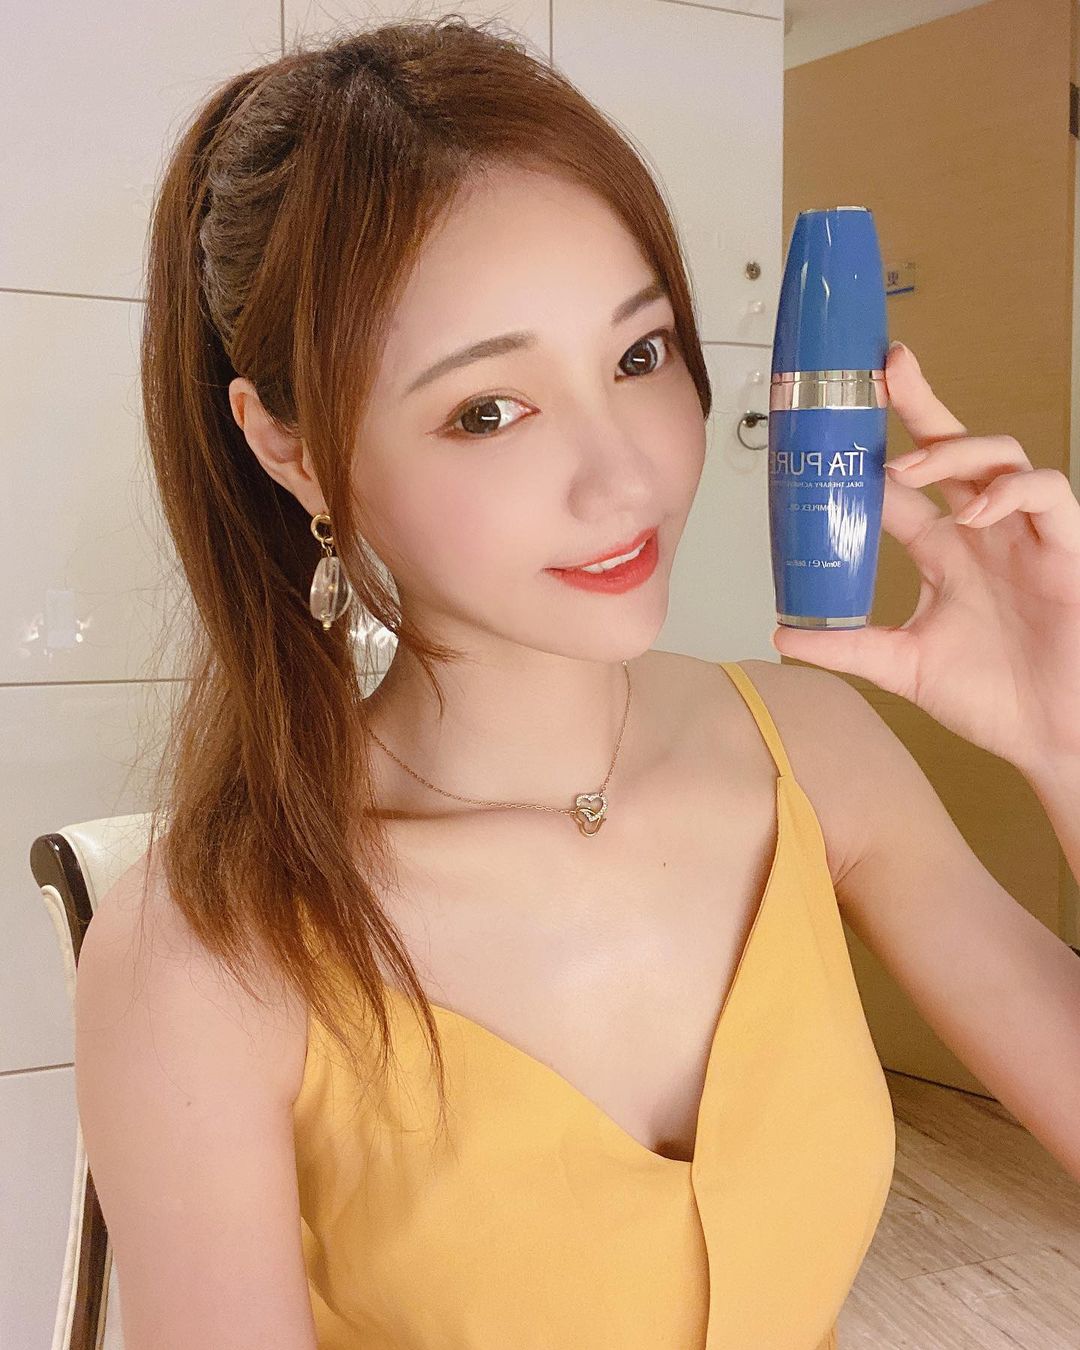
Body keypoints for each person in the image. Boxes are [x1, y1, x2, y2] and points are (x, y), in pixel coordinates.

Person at [73, 15, 1080, 1350]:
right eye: (487, 409)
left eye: (638, 354)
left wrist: (1066, 739)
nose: (625, 477)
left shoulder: (815, 752)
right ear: (292, 448)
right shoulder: (204, 954)